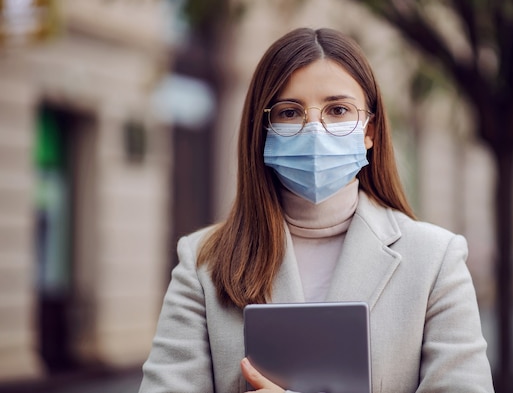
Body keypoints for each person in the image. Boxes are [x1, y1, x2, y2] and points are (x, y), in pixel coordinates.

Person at [139, 27, 494, 393]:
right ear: (263, 130)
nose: (314, 129)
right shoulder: (202, 263)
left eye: (337, 110)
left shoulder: (436, 260)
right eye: (289, 112)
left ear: (369, 131)